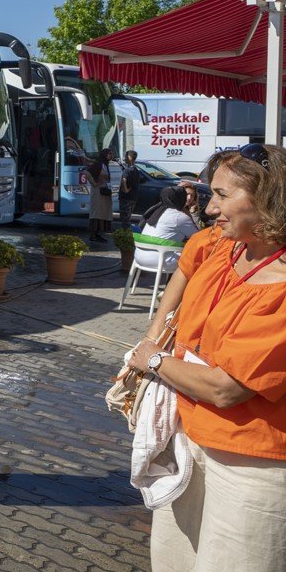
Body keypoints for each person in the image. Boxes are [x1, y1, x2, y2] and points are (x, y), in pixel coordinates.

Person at [128, 143, 286, 571]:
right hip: (188, 438)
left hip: (250, 463)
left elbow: (225, 389)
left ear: (268, 196)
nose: (210, 207)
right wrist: (153, 338)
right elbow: (182, 275)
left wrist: (153, 361)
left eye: (221, 195)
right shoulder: (224, 246)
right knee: (173, 560)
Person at [134, 186, 200, 273]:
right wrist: (193, 214)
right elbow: (198, 237)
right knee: (194, 259)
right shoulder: (179, 216)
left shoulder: (156, 211)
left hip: (139, 256)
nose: (188, 198)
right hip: (159, 260)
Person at [85, 149, 115, 242]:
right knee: (97, 212)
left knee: (103, 212)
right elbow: (87, 173)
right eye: (109, 153)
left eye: (111, 154)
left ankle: (98, 233)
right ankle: (93, 235)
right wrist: (94, 183)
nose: (111, 155)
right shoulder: (98, 164)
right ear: (104, 154)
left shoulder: (105, 165)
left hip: (104, 191)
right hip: (98, 192)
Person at [119, 150, 141, 226]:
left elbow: (124, 180)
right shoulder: (136, 170)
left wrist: (125, 190)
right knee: (128, 217)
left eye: (126, 156)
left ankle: (126, 232)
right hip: (133, 197)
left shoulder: (127, 170)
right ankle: (127, 232)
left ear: (130, 157)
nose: (125, 158)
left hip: (126, 198)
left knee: (124, 219)